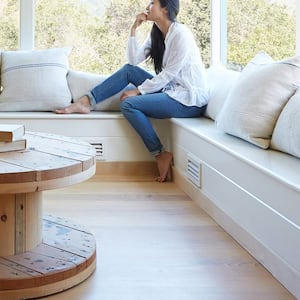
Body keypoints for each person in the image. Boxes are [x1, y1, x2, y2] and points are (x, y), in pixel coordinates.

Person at [55, 0, 209, 182]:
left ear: (165, 9)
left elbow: (169, 73)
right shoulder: (158, 34)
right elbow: (133, 60)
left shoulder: (181, 34)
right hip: (170, 90)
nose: (148, 6)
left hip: (188, 99)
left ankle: (160, 153)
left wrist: (138, 91)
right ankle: (86, 102)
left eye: (153, 3)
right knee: (128, 70)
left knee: (128, 104)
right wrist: (134, 29)